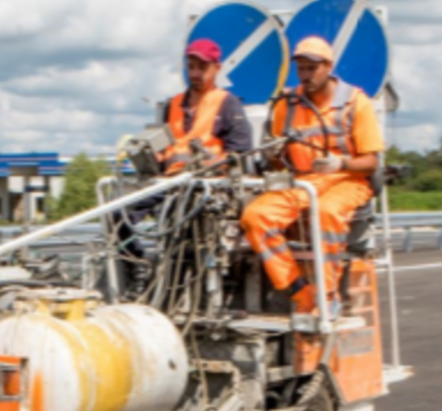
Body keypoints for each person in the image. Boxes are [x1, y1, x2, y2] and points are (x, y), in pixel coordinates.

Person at [241, 36, 384, 316]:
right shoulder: (287, 104)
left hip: (348, 181)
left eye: (312, 68)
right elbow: (276, 161)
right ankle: (301, 292)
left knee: (327, 212)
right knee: (255, 216)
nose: (305, 75)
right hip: (303, 183)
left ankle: (328, 296)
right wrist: (274, 154)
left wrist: (340, 163)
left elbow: (371, 161)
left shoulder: (356, 102)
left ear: (328, 67)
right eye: (301, 69)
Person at [158, 39, 252, 174]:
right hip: (169, 180)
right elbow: (161, 150)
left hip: (209, 180)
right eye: (191, 67)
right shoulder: (172, 104)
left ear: (217, 68)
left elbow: (240, 152)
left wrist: (213, 165)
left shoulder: (228, 103)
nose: (194, 74)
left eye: (202, 67)